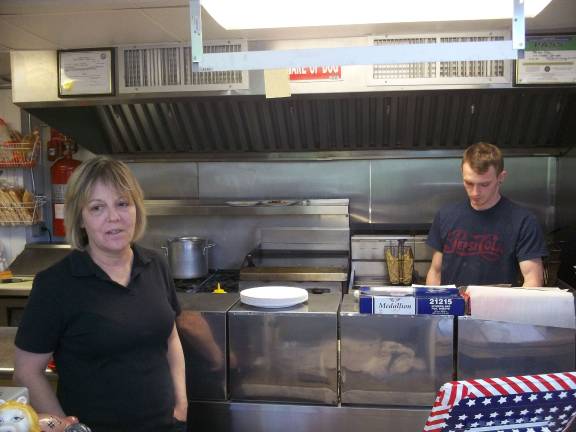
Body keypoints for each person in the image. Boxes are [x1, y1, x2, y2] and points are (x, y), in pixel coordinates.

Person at [13, 156, 187, 432]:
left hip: (166, 425)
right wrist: (65, 428)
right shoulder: (56, 284)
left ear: (136, 209)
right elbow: (26, 371)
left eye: (122, 203)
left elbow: (170, 336)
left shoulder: (155, 264)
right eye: (97, 208)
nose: (114, 217)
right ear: (80, 219)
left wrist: (181, 405)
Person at [426, 142, 548, 287]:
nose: (475, 193)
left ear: (501, 177)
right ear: (462, 173)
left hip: (501, 308)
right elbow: (436, 272)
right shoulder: (445, 216)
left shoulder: (523, 221)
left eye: (484, 184)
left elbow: (532, 280)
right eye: (469, 183)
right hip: (453, 308)